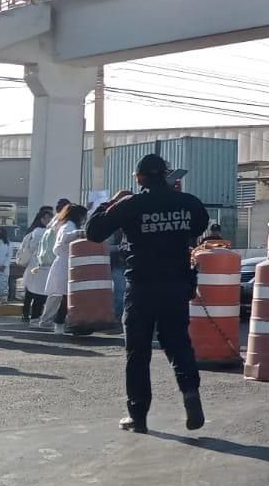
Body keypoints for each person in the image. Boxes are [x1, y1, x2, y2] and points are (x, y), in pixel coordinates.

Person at [86, 154, 209, 433]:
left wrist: (111, 202)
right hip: (176, 285)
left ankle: (138, 415)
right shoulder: (188, 202)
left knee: (137, 353)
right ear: (166, 176)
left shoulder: (132, 205)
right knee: (178, 344)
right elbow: (200, 226)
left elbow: (93, 232)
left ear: (139, 178)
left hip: (142, 287)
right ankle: (191, 394)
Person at [35, 203, 87, 331]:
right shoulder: (69, 226)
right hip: (65, 263)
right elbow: (64, 238)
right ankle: (55, 322)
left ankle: (56, 322)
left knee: (62, 294)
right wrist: (80, 233)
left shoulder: (67, 225)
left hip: (67, 263)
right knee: (63, 295)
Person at [16, 209, 53, 319]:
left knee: (30, 293)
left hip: (33, 266)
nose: (49, 220)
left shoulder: (32, 231)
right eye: (47, 218)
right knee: (39, 293)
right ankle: (35, 316)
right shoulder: (40, 232)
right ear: (41, 219)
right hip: (41, 266)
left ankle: (26, 314)